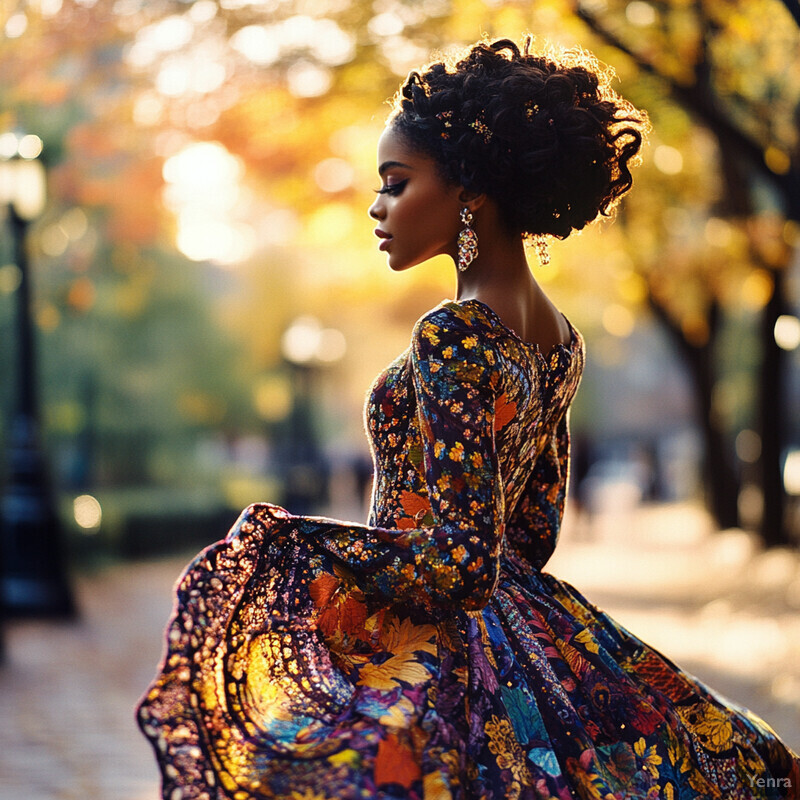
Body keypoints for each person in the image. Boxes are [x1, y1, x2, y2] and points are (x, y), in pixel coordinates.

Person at [138, 37, 799, 799]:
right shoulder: (560, 339)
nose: (377, 207)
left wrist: (301, 547)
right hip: (526, 634)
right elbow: (534, 535)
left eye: (396, 182)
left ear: (469, 192)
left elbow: (459, 562)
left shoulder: (451, 335)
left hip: (443, 651)